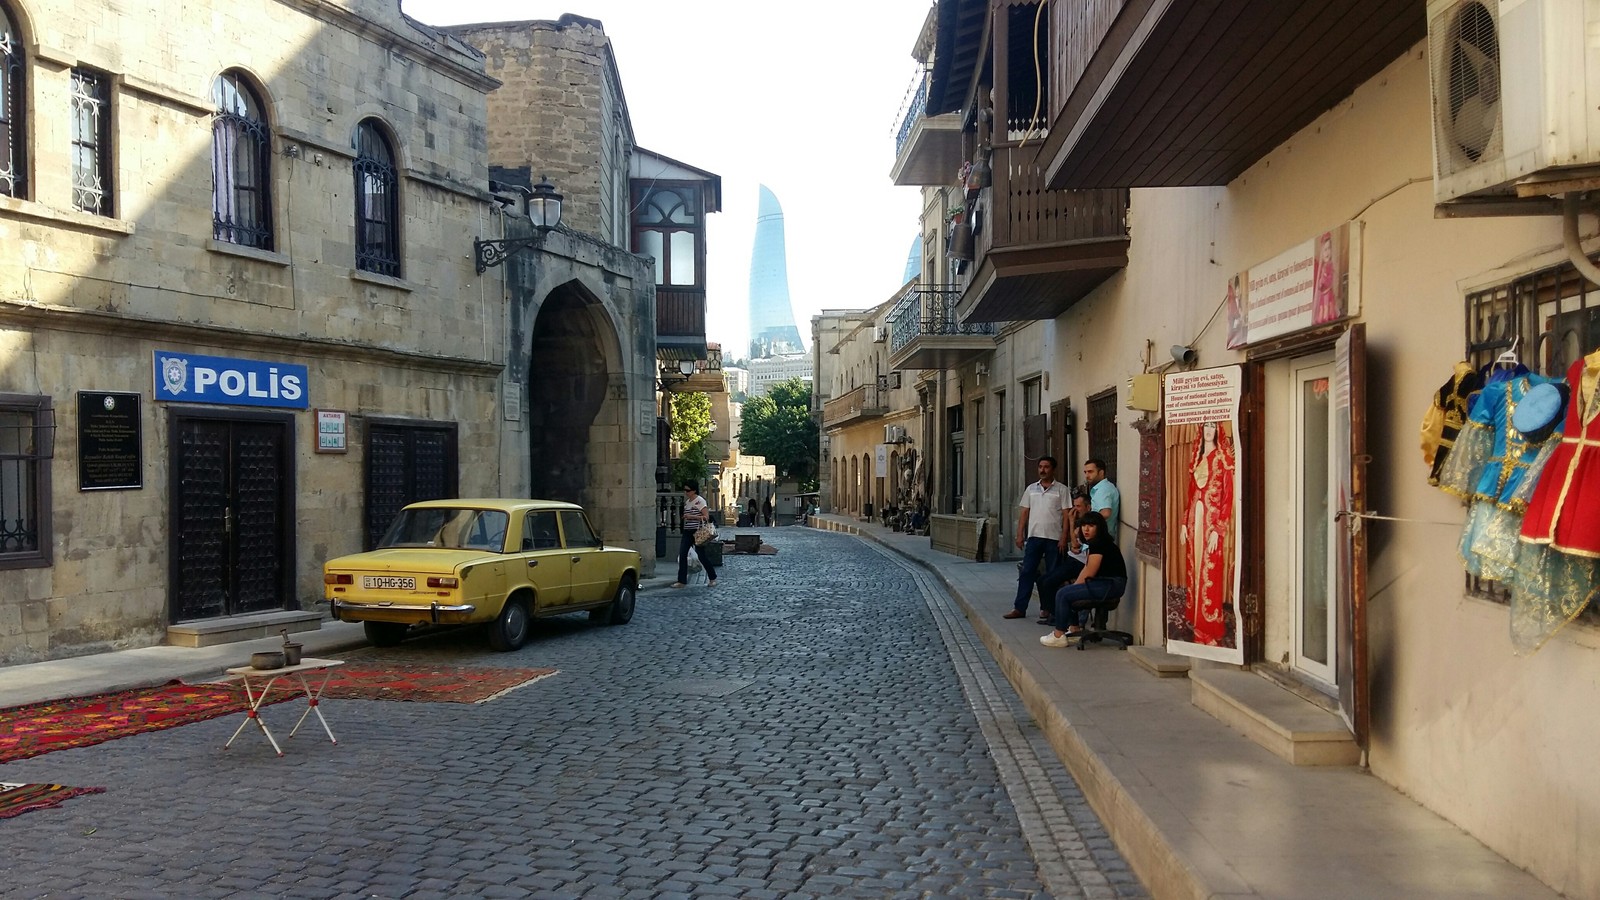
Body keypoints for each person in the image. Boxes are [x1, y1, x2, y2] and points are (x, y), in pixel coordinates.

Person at [1182, 421, 1235, 646]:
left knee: (1210, 572)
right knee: (1194, 569)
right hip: (1195, 521)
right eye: (1206, 426)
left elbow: (1228, 497)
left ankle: (1210, 627)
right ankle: (1196, 621)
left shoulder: (1223, 460)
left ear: (1219, 430)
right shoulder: (1197, 459)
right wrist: (1184, 523)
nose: (1209, 431)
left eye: (1213, 426)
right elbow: (1191, 493)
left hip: (1212, 524)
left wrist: (1219, 529)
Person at [1040, 511, 1127, 646]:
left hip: (1110, 585)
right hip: (1107, 583)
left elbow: (1089, 571)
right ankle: (1074, 629)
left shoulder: (1099, 544)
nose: (1086, 529)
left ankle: (1058, 635)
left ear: (1100, 527)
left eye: (1091, 526)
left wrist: (1075, 587)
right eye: (1083, 525)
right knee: (1066, 589)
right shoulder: (1098, 543)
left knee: (1063, 594)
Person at [1007, 456, 1072, 620]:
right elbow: (1024, 513)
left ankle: (1048, 608)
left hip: (1054, 538)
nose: (1043, 470)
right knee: (1027, 572)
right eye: (1040, 467)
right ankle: (1019, 608)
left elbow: (1066, 516)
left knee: (1051, 575)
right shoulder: (1031, 489)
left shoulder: (1062, 490)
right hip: (1034, 537)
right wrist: (1019, 534)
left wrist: (1064, 538)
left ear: (1053, 469)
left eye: (1046, 467)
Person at [1035, 488, 1092, 625]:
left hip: (1080, 562)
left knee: (1050, 582)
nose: (1075, 510)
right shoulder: (1080, 522)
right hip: (1072, 558)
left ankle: (1057, 616)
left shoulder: (1089, 523)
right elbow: (1074, 544)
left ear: (1088, 507)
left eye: (1078, 506)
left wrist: (1071, 522)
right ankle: (1049, 611)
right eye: (1074, 506)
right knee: (1042, 579)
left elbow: (1075, 544)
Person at [671, 481, 718, 589]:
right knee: (682, 554)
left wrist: (691, 517)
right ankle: (681, 581)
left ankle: (712, 577)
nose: (686, 492)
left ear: (694, 490)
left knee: (702, 556)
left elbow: (706, 517)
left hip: (697, 531)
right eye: (685, 490)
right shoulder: (687, 502)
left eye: (688, 490)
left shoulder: (700, 501)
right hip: (687, 531)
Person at [1084, 458, 1120, 539]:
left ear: (1101, 473)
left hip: (1101, 538)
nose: (1087, 476)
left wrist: (1086, 524)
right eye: (1085, 472)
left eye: (1090, 472)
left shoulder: (1103, 489)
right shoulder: (1103, 488)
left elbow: (1105, 513)